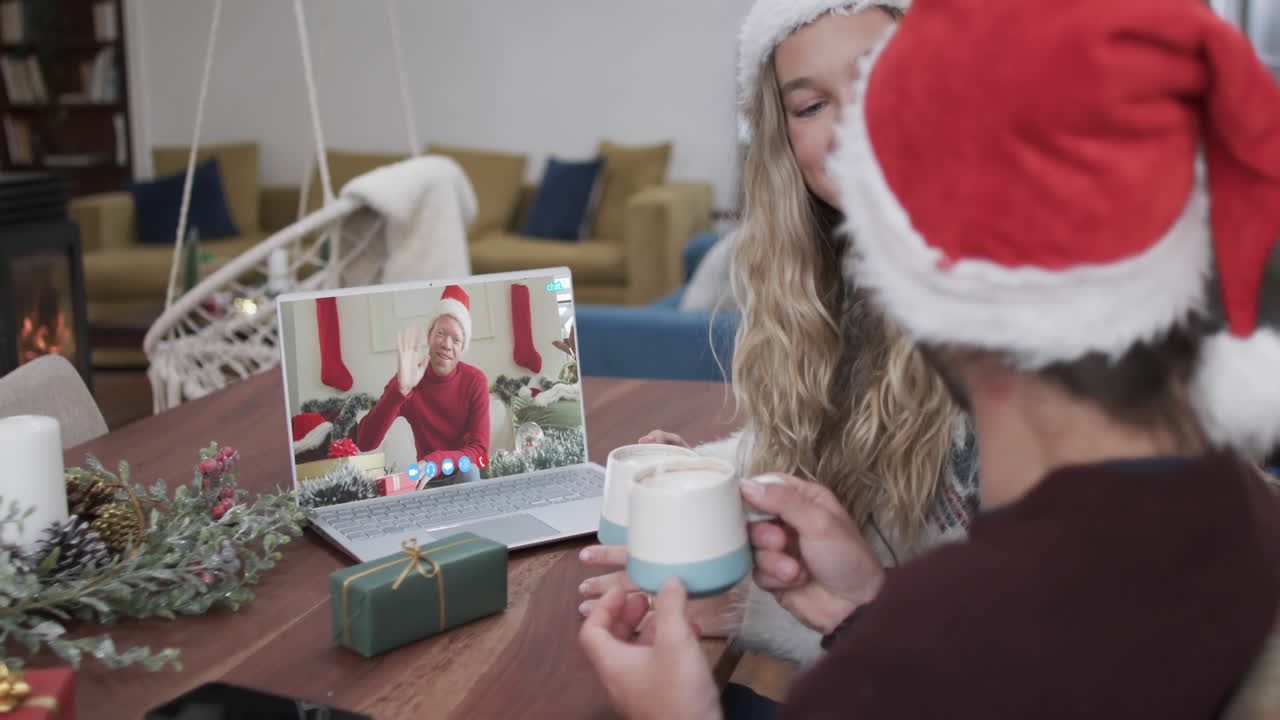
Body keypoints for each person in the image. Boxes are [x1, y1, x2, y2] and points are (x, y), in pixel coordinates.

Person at [579, 0, 1280, 715]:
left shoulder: (952, 626)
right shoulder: (1232, 507)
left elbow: (956, 661)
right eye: (812, 105)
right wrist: (861, 607)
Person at [578, 0, 979, 667]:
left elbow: (1017, 659)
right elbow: (827, 460)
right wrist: (706, 476)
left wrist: (749, 609)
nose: (852, 126)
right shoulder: (840, 288)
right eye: (811, 106)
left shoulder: (1026, 332)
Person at [355, 284, 489, 484]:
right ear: (429, 336)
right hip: (427, 483)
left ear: (462, 348)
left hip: (464, 477)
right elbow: (365, 442)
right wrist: (400, 392)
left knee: (469, 469)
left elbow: (480, 453)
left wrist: (435, 462)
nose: (447, 345)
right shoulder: (408, 379)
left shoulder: (475, 380)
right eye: (441, 333)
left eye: (456, 340)